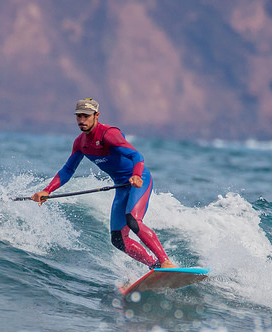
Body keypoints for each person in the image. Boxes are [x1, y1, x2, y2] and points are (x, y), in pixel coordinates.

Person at [32, 98, 176, 270]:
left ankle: (166, 261)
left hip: (138, 181)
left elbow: (136, 156)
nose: (82, 120)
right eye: (79, 116)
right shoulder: (80, 143)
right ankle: (155, 266)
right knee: (118, 239)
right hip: (121, 187)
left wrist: (136, 176)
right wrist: (47, 190)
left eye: (86, 116)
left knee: (133, 220)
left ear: (96, 115)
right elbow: (68, 170)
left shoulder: (109, 134)